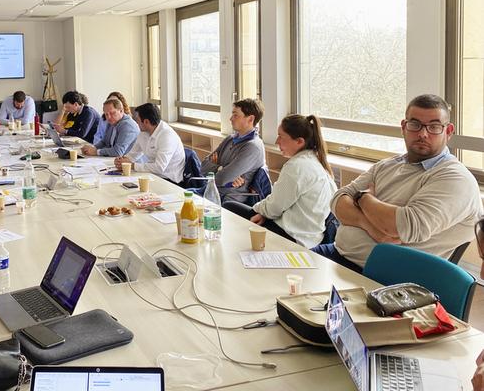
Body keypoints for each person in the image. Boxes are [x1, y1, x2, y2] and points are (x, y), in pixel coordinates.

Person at [312, 94, 483, 272]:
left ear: (448, 132)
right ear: (403, 127)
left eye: (434, 126)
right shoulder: (388, 165)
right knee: (284, 270)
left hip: (384, 277)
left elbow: (404, 227)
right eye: (415, 124)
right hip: (337, 254)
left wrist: (364, 198)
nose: (423, 134)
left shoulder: (455, 178)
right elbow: (338, 200)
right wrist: (370, 226)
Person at [229, 114, 337, 248]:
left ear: (299, 141)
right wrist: (265, 213)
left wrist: (262, 211)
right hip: (311, 237)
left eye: (281, 136)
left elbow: (274, 207)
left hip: (292, 235)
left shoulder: (296, 166)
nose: (276, 141)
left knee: (229, 206)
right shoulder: (318, 163)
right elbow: (278, 206)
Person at [200, 98, 267, 206]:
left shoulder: (253, 147)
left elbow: (222, 179)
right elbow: (202, 167)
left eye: (236, 115)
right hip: (211, 192)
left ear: (250, 119)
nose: (231, 119)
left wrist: (217, 167)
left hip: (227, 200)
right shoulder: (230, 139)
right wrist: (220, 169)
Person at [114, 102, 185, 183]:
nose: (136, 124)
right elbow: (133, 154)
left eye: (137, 121)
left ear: (146, 122)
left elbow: (159, 167)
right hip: (152, 175)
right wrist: (122, 161)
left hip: (168, 180)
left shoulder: (167, 136)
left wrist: (132, 165)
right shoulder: (144, 132)